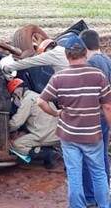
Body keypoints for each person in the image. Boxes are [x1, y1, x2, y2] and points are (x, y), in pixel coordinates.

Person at [37, 41, 111, 208]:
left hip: (68, 135)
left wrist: (56, 113)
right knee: (98, 172)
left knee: (74, 174)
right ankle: (104, 205)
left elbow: (41, 101)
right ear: (85, 54)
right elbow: (107, 106)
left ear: (67, 56)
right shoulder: (98, 75)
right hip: (92, 134)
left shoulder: (58, 77)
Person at [80, 29, 111, 206]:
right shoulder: (107, 59)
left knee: (87, 158)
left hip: (93, 118)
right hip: (105, 116)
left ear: (84, 45)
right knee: (103, 156)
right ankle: (104, 194)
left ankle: (91, 197)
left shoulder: (91, 64)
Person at [7, 78, 59, 169]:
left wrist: (5, 130)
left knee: (16, 145)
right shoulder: (38, 95)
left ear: (18, 91)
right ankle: (48, 150)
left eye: (14, 95)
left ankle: (46, 154)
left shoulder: (27, 100)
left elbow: (16, 123)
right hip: (57, 134)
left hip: (43, 134)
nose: (15, 98)